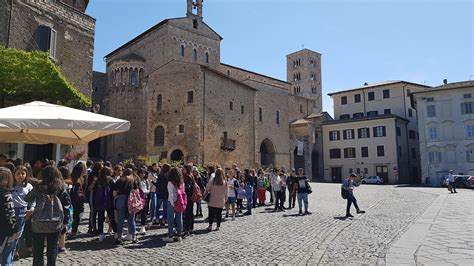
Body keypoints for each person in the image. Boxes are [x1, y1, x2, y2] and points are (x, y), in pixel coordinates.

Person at [25, 166, 71, 266]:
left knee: (38, 251)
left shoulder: (39, 187)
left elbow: (27, 198)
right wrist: (65, 222)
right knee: (52, 250)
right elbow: (66, 205)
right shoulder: (61, 187)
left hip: (39, 222)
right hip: (55, 223)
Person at [113, 168, 140, 244]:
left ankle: (119, 238)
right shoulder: (134, 181)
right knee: (131, 219)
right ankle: (134, 237)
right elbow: (137, 192)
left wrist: (118, 195)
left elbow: (114, 193)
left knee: (120, 220)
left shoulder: (120, 180)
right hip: (130, 201)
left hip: (121, 199)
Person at [93, 167, 116, 242]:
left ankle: (100, 234)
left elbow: (95, 191)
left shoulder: (98, 180)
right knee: (111, 217)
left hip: (100, 201)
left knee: (100, 218)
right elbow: (114, 192)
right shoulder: (111, 180)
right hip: (109, 201)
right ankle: (116, 232)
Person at [0, 167, 18, 265]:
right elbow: (10, 213)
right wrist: (14, 230)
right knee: (6, 254)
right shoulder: (6, 194)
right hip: (4, 230)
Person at [163, 167, 185, 242]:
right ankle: (179, 235)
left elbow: (171, 194)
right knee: (179, 218)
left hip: (171, 202)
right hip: (180, 201)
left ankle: (170, 235)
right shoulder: (182, 182)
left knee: (170, 219)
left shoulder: (170, 183)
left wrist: (172, 204)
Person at [69, 163, 86, 237]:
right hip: (78, 199)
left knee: (76, 215)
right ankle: (74, 231)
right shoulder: (79, 180)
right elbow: (78, 191)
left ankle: (74, 230)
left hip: (75, 198)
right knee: (77, 215)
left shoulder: (74, 177)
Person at [182, 165, 195, 236]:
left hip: (188, 197)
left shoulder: (188, 177)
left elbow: (188, 187)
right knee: (190, 213)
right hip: (190, 197)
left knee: (188, 213)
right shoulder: (191, 176)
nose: (182, 170)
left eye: (183, 169)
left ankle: (187, 229)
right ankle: (190, 228)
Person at [137, 167, 150, 235]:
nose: (143, 174)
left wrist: (145, 191)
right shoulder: (137, 180)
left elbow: (148, 189)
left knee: (144, 212)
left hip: (145, 197)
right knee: (136, 212)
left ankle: (143, 227)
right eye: (141, 173)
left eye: (144, 173)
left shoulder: (146, 181)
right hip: (138, 198)